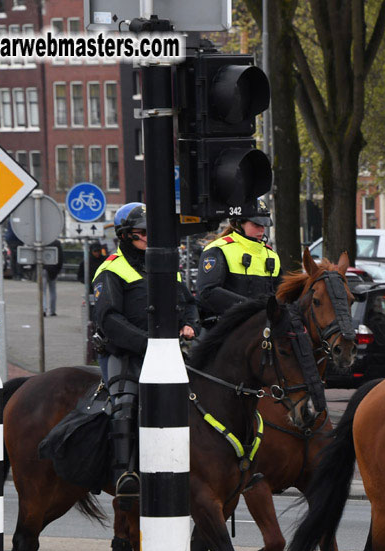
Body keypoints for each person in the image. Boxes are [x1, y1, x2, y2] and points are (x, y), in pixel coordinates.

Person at [91, 202, 198, 500]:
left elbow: (188, 303)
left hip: (168, 353)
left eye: (152, 231)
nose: (149, 236)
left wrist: (191, 325)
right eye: (142, 232)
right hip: (124, 354)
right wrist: (149, 344)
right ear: (125, 235)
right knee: (125, 403)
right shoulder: (111, 269)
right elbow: (110, 320)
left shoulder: (165, 266)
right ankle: (124, 474)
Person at [196, 199, 281, 328]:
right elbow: (207, 293)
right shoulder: (218, 249)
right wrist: (251, 308)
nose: (262, 230)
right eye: (256, 225)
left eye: (264, 225)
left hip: (263, 328)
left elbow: (281, 294)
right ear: (239, 223)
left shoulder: (271, 255)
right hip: (225, 328)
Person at [42, 240, 63, 317]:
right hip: (53, 269)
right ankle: (52, 310)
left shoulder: (42, 241)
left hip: (43, 268)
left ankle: (43, 309)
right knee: (53, 291)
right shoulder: (57, 243)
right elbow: (60, 258)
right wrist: (58, 270)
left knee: (42, 291)